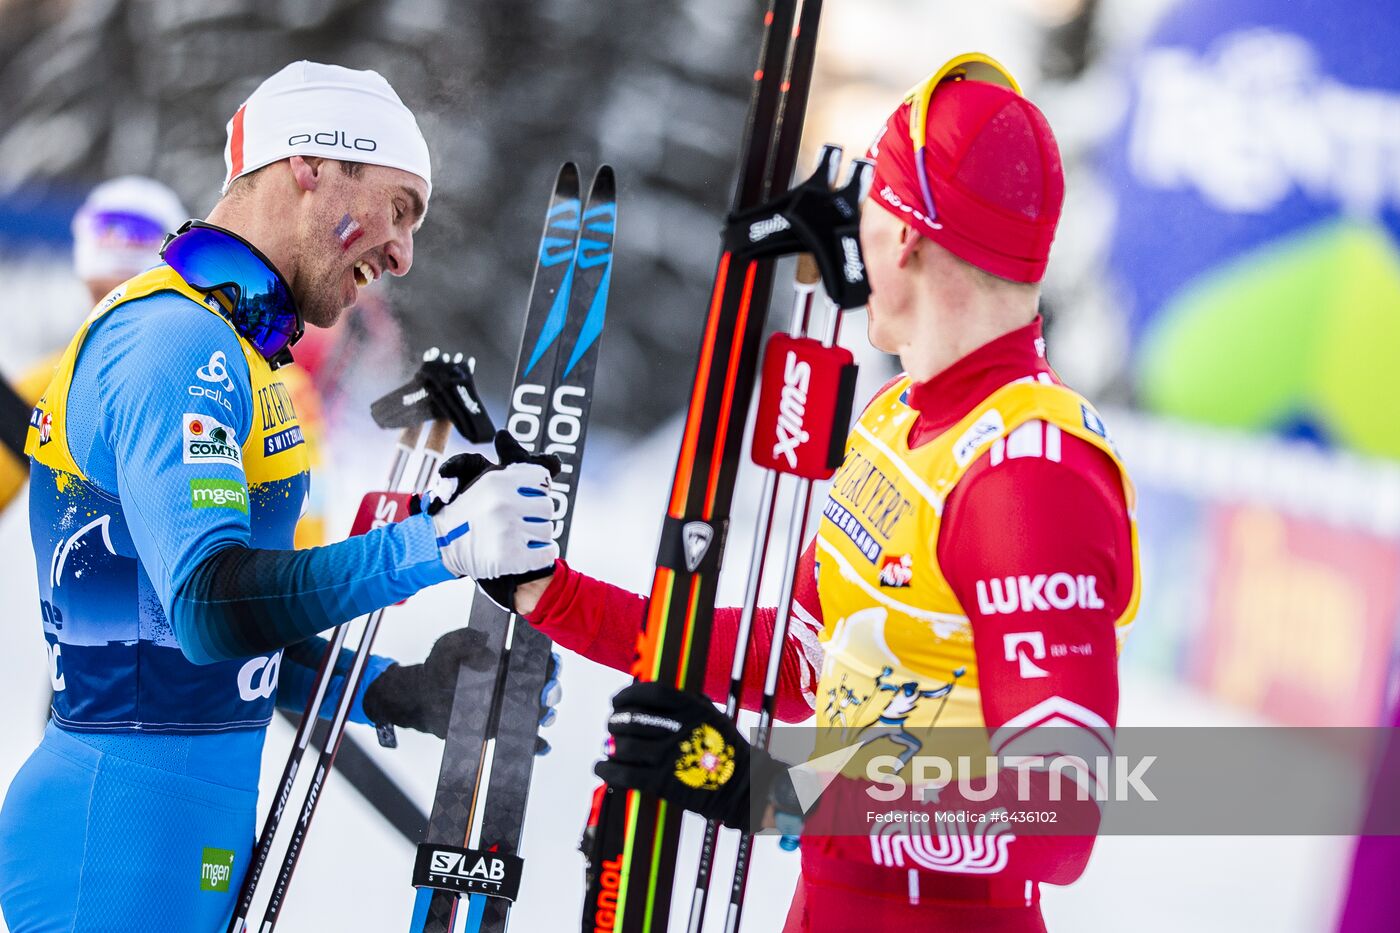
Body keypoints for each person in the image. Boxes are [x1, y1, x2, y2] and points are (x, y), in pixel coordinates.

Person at [515, 54, 1140, 932]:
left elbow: (1055, 817)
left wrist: (772, 791)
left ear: (907, 237)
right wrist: (552, 595)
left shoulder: (1028, 474)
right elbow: (801, 658)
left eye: (872, 205)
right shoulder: (898, 418)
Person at [0, 61, 561, 933]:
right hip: (114, 837)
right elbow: (208, 607)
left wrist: (401, 690)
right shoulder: (173, 339)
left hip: (182, 828)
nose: (403, 253)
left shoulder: (241, 353)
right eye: (399, 207)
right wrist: (441, 543)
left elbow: (223, 648)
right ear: (311, 163)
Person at [0, 176, 189, 512]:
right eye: (103, 296)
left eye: (137, 295)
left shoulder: (233, 371)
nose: (115, 316)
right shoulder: (49, 384)